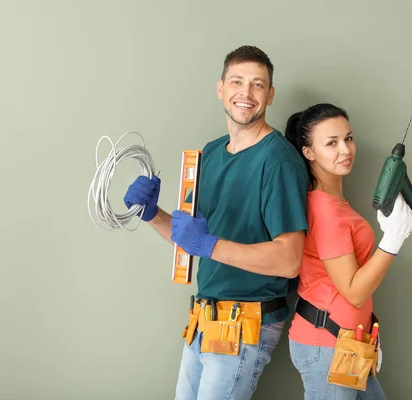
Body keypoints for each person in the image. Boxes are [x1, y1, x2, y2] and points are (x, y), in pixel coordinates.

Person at [122, 45, 310, 399]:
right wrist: (152, 214)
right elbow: (193, 240)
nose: (246, 92)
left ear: (270, 95)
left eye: (258, 84)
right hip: (203, 316)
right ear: (220, 88)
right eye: (237, 81)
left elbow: (289, 260)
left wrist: (208, 245)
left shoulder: (278, 161)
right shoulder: (210, 153)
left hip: (245, 322)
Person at [284, 103, 412, 400]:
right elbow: (353, 291)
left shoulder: (336, 203)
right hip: (326, 347)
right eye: (331, 143)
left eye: (348, 138)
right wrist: (393, 239)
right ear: (309, 152)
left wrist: (367, 332)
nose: (345, 149)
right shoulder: (325, 210)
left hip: (350, 343)